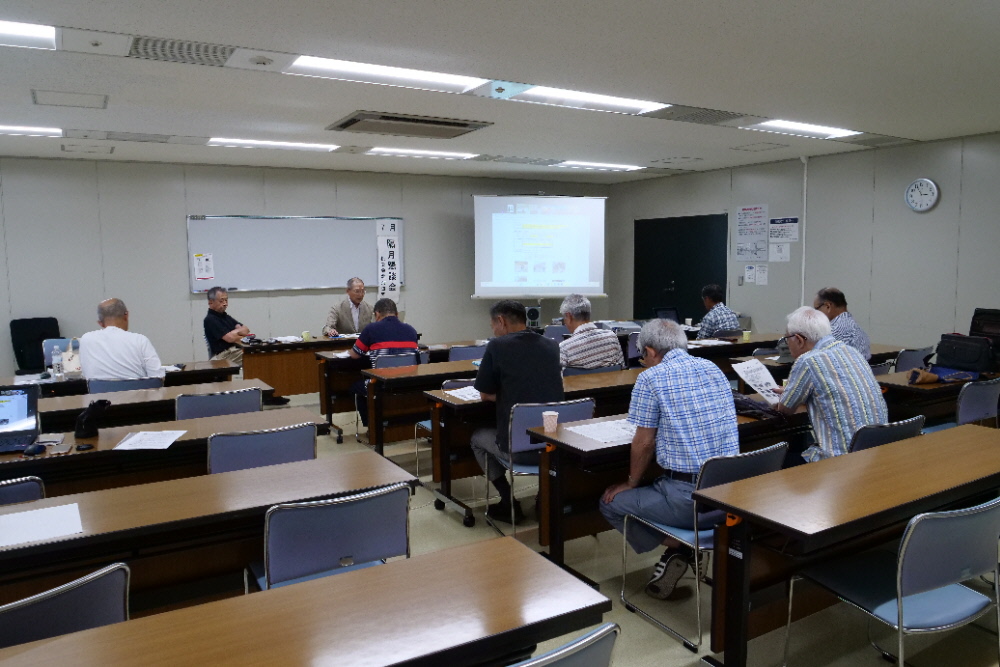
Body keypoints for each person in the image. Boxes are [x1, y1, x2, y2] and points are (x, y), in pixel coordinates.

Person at [600, 319, 739, 600]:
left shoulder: (650, 378)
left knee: (609, 503)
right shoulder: (713, 368)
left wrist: (631, 482)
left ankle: (682, 547)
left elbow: (644, 442)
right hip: (731, 497)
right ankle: (684, 550)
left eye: (643, 356)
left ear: (651, 351)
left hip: (690, 500)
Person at [472, 300, 564, 523]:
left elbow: (485, 395)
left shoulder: (497, 346)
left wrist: (508, 396)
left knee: (477, 438)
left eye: (493, 326)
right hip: (553, 445)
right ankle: (543, 498)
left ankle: (508, 501)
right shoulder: (552, 345)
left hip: (518, 449)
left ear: (501, 321)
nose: (494, 330)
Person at [774, 306, 887, 462]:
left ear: (799, 340)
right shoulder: (852, 351)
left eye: (787, 338)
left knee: (777, 462)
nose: (786, 343)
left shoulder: (808, 361)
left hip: (837, 462)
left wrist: (788, 394)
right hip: (875, 454)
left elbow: (785, 409)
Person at [202, 286, 289, 405]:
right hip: (226, 354)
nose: (225, 303)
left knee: (265, 356)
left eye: (226, 300)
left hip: (236, 349)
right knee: (260, 358)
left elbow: (246, 330)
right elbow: (230, 338)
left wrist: (235, 333)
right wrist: (237, 333)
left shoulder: (225, 316)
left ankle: (269, 394)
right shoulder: (210, 319)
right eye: (221, 301)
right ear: (211, 302)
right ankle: (266, 395)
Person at [349, 298, 419, 427]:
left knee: (356, 387)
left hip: (381, 385)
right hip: (408, 383)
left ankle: (371, 427)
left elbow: (355, 354)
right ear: (397, 314)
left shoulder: (371, 329)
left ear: (377, 314)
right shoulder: (411, 330)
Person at [80, 298, 165, 380]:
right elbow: (157, 378)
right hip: (137, 390)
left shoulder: (85, 340)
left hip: (98, 390)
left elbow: (86, 374)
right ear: (126, 315)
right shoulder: (140, 340)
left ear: (100, 323)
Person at [558, 294, 625, 369]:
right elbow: (622, 369)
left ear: (569, 316)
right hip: (611, 377)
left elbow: (559, 376)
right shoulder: (612, 337)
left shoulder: (564, 348)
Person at [813, 287, 871, 360]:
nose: (815, 314)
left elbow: (816, 360)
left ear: (828, 306)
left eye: (816, 309)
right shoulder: (858, 329)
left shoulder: (832, 332)